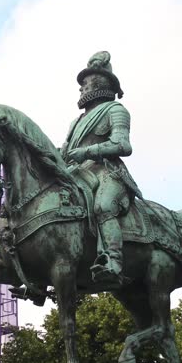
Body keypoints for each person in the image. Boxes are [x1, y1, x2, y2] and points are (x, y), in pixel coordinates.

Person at [61, 51, 142, 287]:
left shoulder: (115, 110)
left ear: (99, 84)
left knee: (103, 206)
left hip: (106, 170)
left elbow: (122, 145)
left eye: (85, 84)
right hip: (76, 173)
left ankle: (113, 262)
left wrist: (86, 152)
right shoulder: (75, 122)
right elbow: (66, 152)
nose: (80, 89)